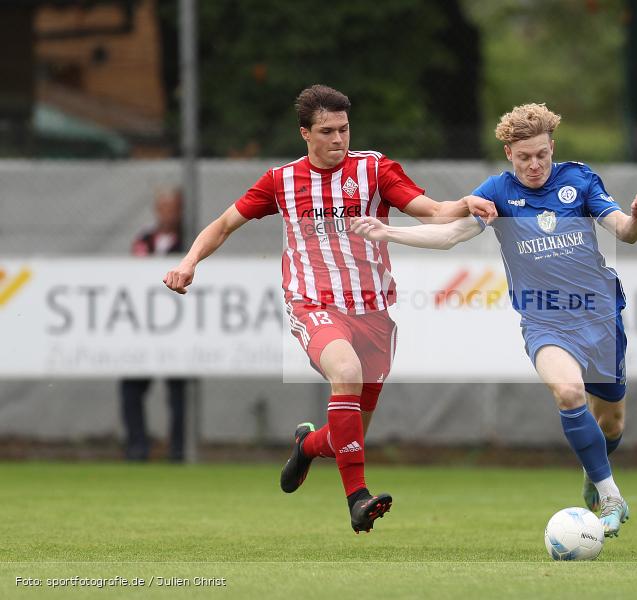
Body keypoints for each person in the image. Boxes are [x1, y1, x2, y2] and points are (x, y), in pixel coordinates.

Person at [163, 84, 488, 533]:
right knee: (346, 372)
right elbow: (223, 225)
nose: (339, 139)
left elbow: (432, 212)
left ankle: (308, 446)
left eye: (344, 129)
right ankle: (358, 499)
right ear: (305, 133)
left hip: (374, 312)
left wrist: (464, 204)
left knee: (345, 437)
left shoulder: (374, 169)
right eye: (327, 131)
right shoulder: (281, 181)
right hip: (313, 304)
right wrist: (188, 262)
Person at [351, 103, 637, 537]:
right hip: (544, 320)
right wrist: (389, 232)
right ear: (509, 153)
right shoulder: (497, 191)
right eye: (524, 157)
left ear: (552, 148)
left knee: (611, 424)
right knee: (569, 392)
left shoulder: (579, 180)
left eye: (542, 155)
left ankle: (595, 470)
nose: (534, 165)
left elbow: (624, 231)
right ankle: (611, 496)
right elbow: (450, 234)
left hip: (600, 315)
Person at [122, 189, 187, 462]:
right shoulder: (144, 239)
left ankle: (179, 450)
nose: (167, 214)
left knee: (179, 393)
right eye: (163, 208)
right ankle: (137, 447)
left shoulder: (189, 240)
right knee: (131, 387)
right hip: (145, 326)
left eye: (172, 208)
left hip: (179, 329)